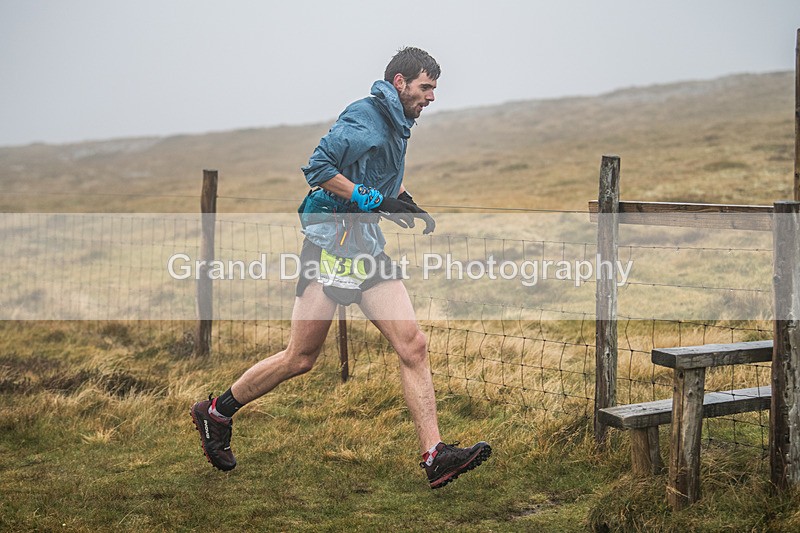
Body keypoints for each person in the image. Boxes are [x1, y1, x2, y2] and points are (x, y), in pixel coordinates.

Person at [191, 47, 491, 489]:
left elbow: (377, 170)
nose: (432, 97)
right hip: (330, 247)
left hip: (366, 248)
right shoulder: (365, 116)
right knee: (301, 358)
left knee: (413, 346)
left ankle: (435, 456)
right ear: (399, 83)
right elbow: (319, 169)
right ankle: (215, 413)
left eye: (434, 89)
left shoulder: (396, 124)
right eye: (426, 87)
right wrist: (372, 200)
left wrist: (404, 200)